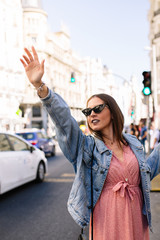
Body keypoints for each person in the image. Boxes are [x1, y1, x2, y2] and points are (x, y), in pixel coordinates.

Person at [20, 46, 160, 240]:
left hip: (136, 220)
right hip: (107, 223)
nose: (91, 113)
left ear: (112, 112)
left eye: (98, 108)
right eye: (88, 111)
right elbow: (64, 123)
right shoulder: (86, 146)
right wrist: (41, 88)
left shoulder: (133, 143)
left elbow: (148, 171)